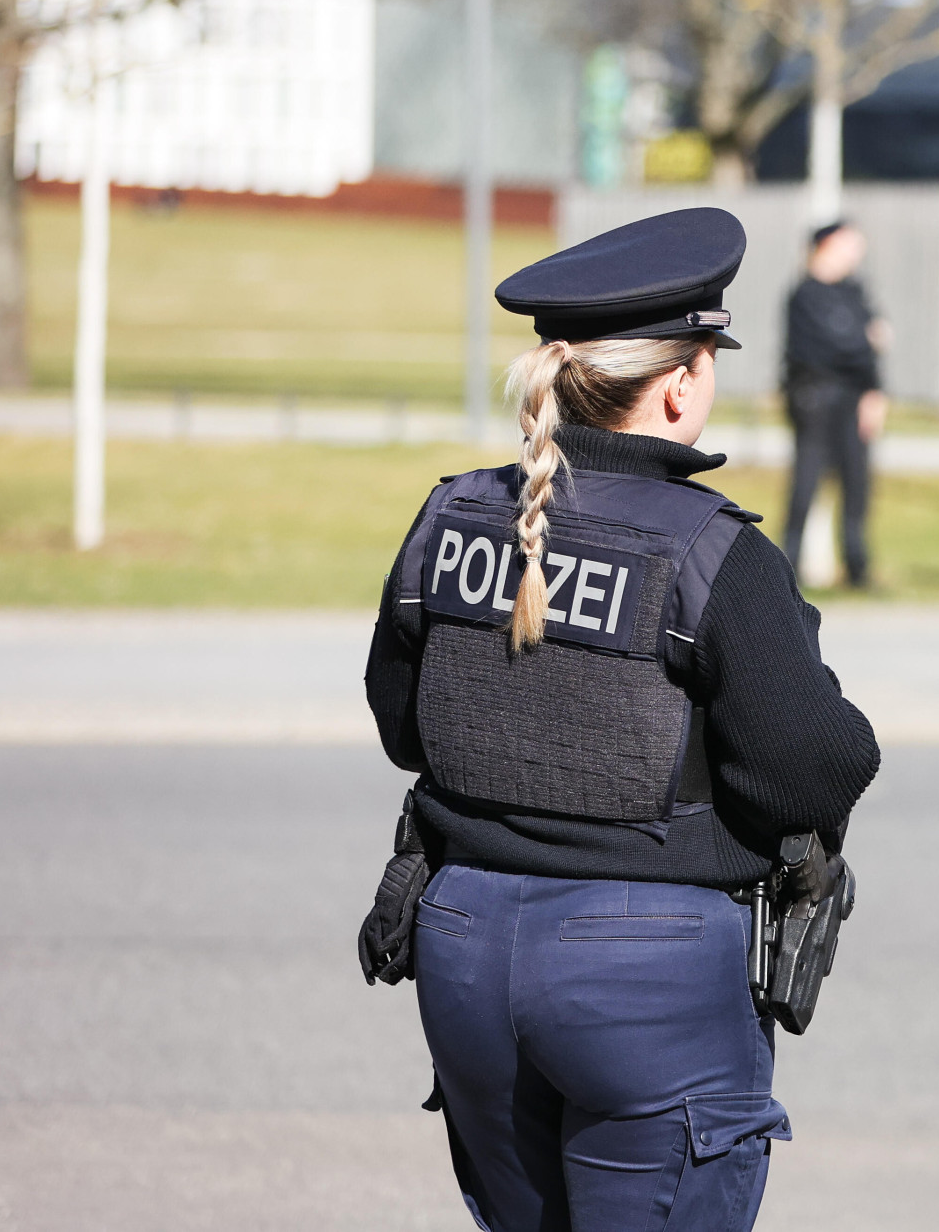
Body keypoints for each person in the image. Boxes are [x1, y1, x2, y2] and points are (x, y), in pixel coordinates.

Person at [358, 206, 882, 1232]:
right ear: (681, 383)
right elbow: (811, 770)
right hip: (648, 976)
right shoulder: (714, 552)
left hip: (464, 948)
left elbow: (405, 724)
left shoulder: (449, 517)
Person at [784, 219, 888, 589]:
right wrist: (864, 339)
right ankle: (788, 566)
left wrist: (874, 391)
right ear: (826, 246)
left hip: (853, 399)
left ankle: (857, 568)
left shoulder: (854, 292)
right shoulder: (805, 295)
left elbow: (865, 348)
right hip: (815, 398)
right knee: (806, 483)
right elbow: (839, 344)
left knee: (857, 485)